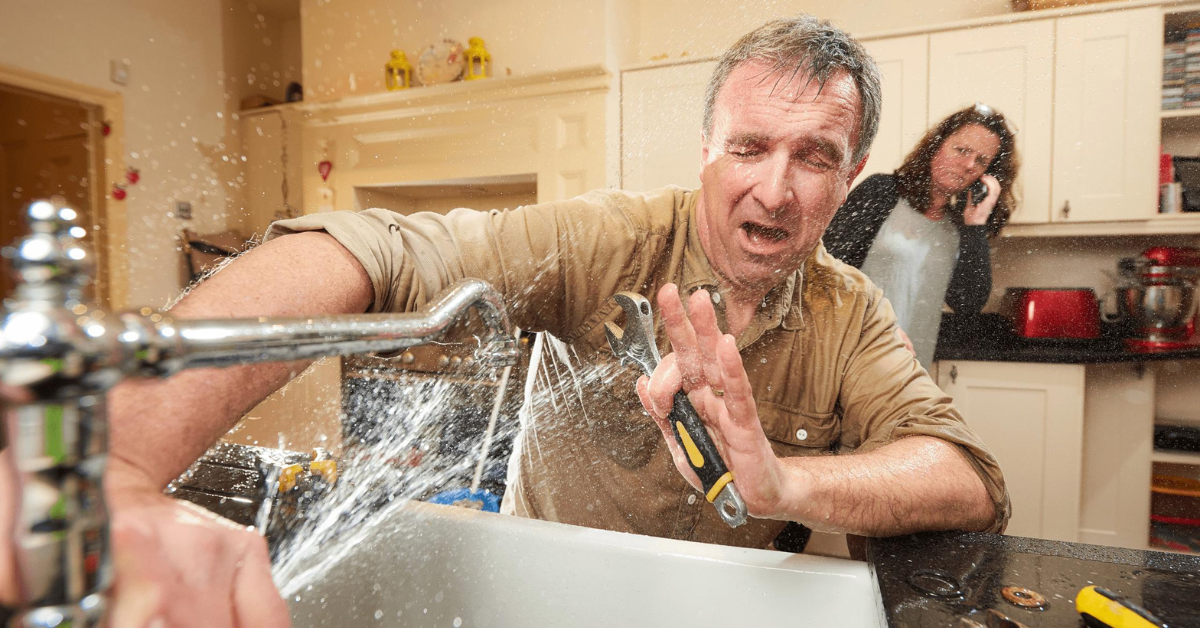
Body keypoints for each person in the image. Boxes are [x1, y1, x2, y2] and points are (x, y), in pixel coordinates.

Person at [1, 15, 1009, 628]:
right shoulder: (608, 242)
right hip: (546, 597)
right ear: (706, 146)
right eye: (749, 147)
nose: (777, 190)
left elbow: (966, 475)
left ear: (854, 171)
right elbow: (381, 252)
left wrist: (787, 482)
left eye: (816, 156)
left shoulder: (847, 312)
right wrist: (121, 469)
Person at [823, 104, 1020, 367]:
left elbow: (968, 302)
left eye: (982, 161)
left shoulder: (959, 227)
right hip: (847, 358)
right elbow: (825, 271)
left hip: (913, 368)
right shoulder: (881, 192)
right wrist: (877, 327)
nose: (969, 165)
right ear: (937, 146)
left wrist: (975, 225)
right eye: (962, 150)